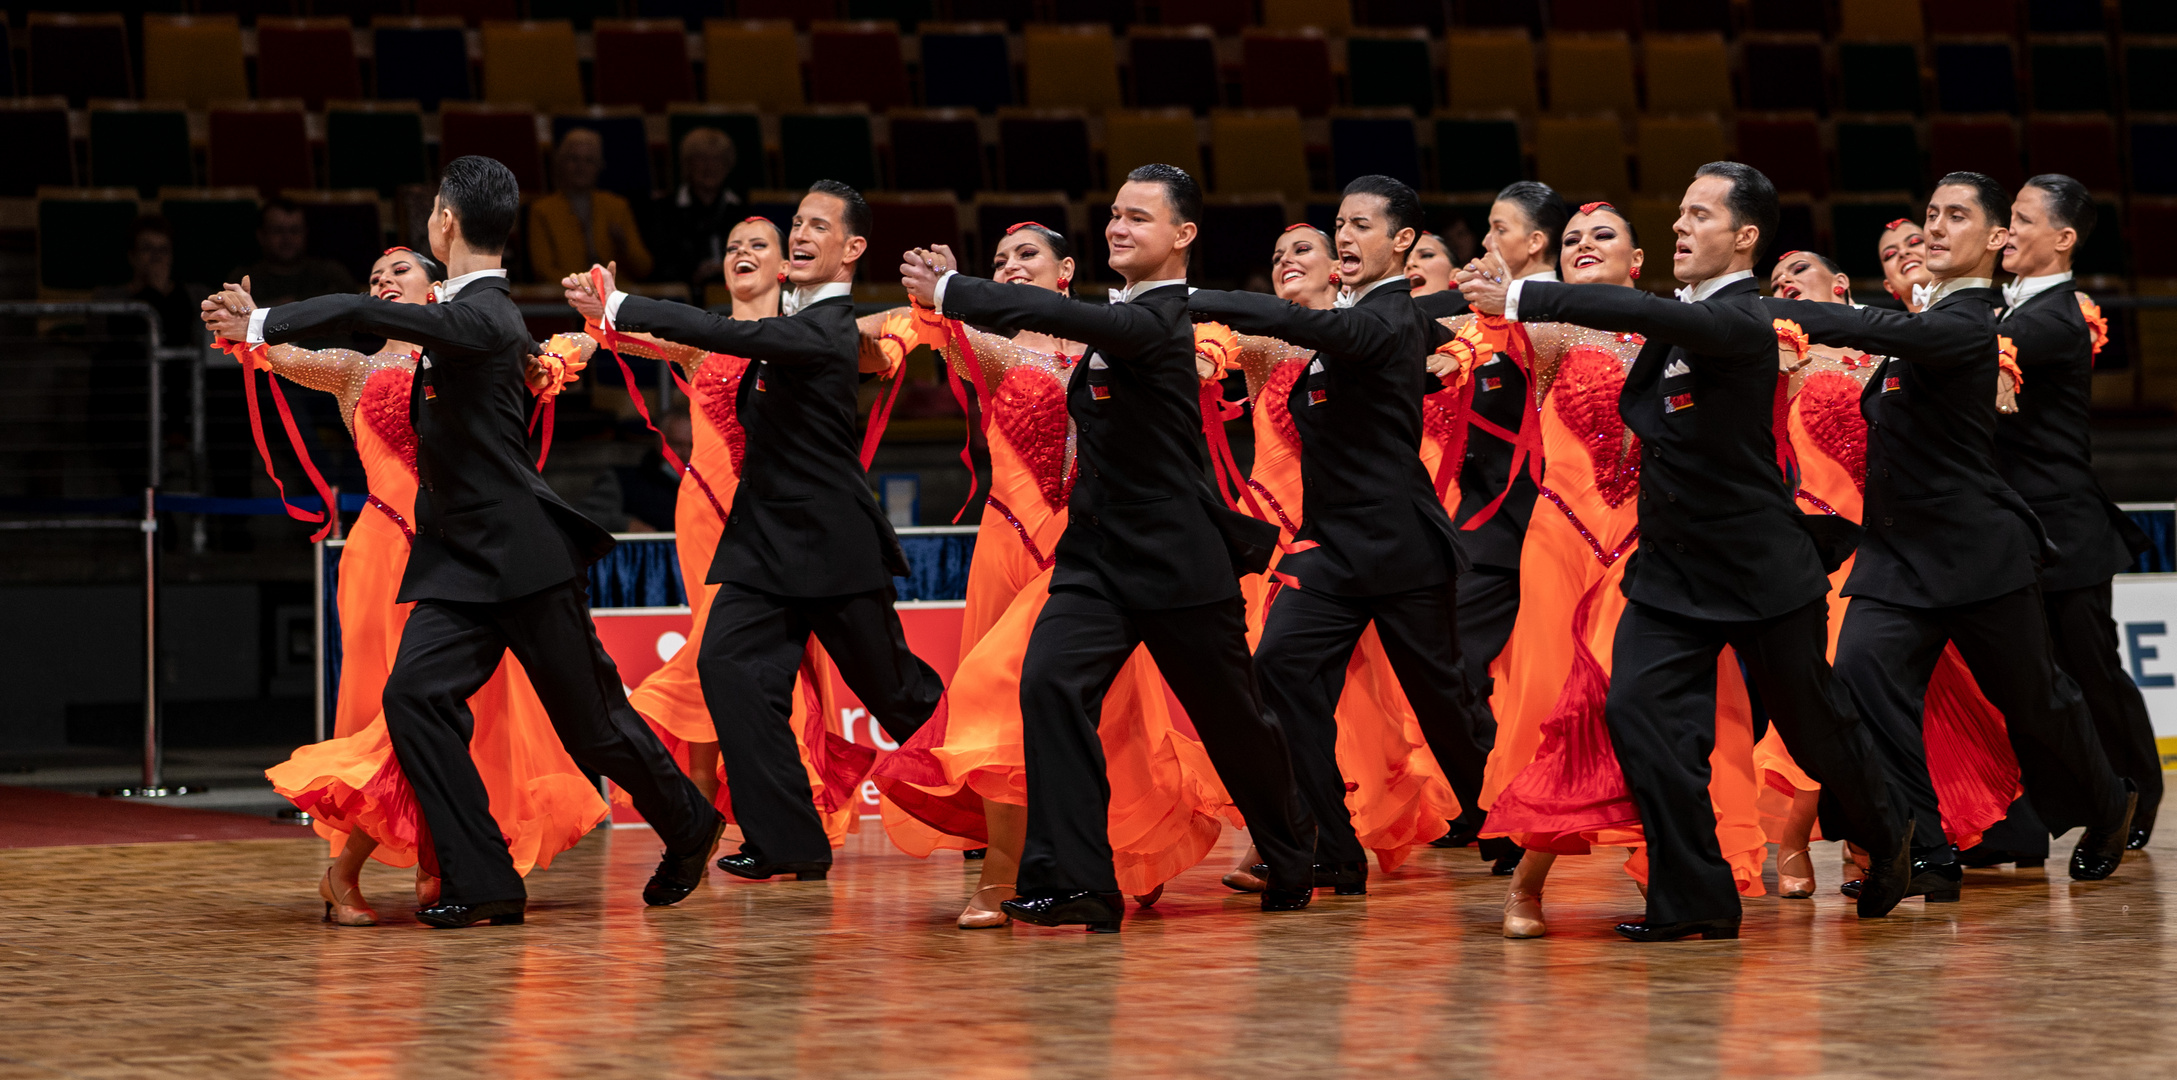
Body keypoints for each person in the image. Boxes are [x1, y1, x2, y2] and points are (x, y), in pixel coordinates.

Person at [204, 155, 721, 929]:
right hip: (457, 564)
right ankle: (482, 879)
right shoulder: (460, 315)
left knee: (595, 724)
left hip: (521, 557)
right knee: (413, 701)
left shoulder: (487, 315)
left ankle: (689, 824)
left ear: (445, 220)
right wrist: (261, 334)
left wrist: (261, 323)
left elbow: (368, 313)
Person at [1460, 161, 1914, 941]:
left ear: (1743, 236)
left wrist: (1519, 291)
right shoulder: (1671, 324)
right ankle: (1693, 896)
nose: (1679, 226)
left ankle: (1890, 827)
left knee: (1815, 727)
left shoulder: (1742, 318)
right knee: (1638, 715)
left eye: (1698, 215)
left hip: (1759, 571)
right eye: (1677, 213)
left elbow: (1630, 309)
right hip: (1669, 574)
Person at [901, 164, 1317, 931]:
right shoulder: (1119, 318)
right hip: (1094, 558)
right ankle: (1077, 880)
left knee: (1235, 721)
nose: (1118, 228)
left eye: (1138, 217)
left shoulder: (1162, 318)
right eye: (1115, 215)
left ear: (1182, 235)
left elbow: (1065, 319)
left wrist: (952, 289)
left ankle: (1294, 854)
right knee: (1048, 688)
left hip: (1176, 562)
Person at [569, 180, 946, 883]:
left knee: (895, 693)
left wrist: (621, 306)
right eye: (796, 222)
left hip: (830, 545)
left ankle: (996, 801)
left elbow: (728, 333)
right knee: (726, 668)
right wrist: (604, 318)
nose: (800, 234)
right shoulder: (793, 327)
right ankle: (789, 839)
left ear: (851, 249)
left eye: (815, 227)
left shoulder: (828, 327)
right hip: (762, 544)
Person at [1770, 171, 2137, 894]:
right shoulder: (1925, 322)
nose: (1935, 227)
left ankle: (2108, 802)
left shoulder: (1974, 321)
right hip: (1895, 558)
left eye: (1955, 216)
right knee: (1863, 683)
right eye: (1931, 213)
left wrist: (1767, 313)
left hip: (1976, 555)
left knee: (2037, 702)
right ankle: (1923, 845)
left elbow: (1879, 328)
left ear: (1996, 237)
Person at [871, 221, 1231, 929]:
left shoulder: (1114, 335)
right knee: (1000, 704)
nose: (1010, 267)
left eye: (1027, 255)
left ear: (1066, 269)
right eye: (999, 259)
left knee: (1100, 713)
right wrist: (940, 291)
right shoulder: (995, 346)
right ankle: (1004, 871)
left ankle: (1119, 854)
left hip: (1092, 550)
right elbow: (935, 323)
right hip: (1007, 548)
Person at [253, 246, 610, 925]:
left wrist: (581, 337)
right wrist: (249, 323)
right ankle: (350, 868)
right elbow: (275, 352)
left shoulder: (469, 360)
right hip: (385, 556)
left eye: (399, 272)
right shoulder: (355, 370)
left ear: (439, 288)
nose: (384, 280)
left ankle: (440, 863)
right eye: (374, 275)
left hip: (465, 557)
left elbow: (564, 352)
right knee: (400, 720)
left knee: (465, 718)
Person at [1448, 202, 1764, 938]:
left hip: (1648, 545)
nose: (1584, 246)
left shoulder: (1673, 333)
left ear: (1637, 258)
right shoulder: (1553, 331)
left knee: (1652, 711)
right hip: (1561, 541)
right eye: (1571, 240)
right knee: (1557, 710)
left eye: (1602, 237)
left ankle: (1676, 880)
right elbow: (1482, 329)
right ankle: (1527, 882)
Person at [1184, 176, 1494, 897]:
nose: (1347, 238)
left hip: (1403, 551)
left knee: (1442, 706)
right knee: (1278, 672)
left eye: (1360, 227)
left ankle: (1501, 823)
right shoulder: (1355, 324)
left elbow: (1335, 329)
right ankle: (1328, 846)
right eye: (1341, 225)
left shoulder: (1388, 318)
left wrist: (1184, 298)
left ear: (1402, 242)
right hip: (1330, 553)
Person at [1758, 249, 2021, 899]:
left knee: (1892, 708)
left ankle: (1875, 846)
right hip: (1826, 551)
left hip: (1895, 552)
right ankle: (1792, 841)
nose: (1783, 283)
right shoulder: (1780, 356)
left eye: (1798, 272)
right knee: (1830, 699)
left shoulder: (1890, 349)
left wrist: (2004, 365)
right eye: (1774, 280)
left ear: (1840, 285)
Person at [604, 214, 859, 855]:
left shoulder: (807, 336)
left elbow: (879, 340)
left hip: (785, 515)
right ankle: (703, 807)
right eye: (731, 246)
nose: (740, 252)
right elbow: (626, 337)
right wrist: (590, 320)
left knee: (781, 658)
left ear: (785, 267)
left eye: (757, 245)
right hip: (706, 512)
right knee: (713, 651)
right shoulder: (701, 341)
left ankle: (779, 809)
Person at [1985, 175, 2162, 856]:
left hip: (2065, 531)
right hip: (2028, 530)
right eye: (2007, 218)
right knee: (2053, 674)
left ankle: (2138, 789)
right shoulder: (2017, 309)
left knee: (2092, 670)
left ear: (2061, 239)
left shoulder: (2049, 319)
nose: (2007, 230)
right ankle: (2081, 798)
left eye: (2022, 220)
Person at [530, 128, 654, 285]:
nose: (581, 167)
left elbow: (644, 268)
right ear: (561, 163)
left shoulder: (617, 206)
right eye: (574, 159)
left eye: (589, 160)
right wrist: (583, 288)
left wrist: (624, 246)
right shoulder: (542, 211)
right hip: (565, 298)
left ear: (599, 166)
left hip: (613, 298)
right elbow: (542, 271)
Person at [647, 127, 746, 295]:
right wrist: (693, 274)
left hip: (733, 295)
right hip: (682, 299)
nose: (710, 166)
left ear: (728, 165)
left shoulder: (742, 211)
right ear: (687, 164)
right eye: (701, 159)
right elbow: (659, 265)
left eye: (718, 159)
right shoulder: (664, 209)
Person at [97, 215, 203, 348]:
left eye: (163, 250)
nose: (157, 257)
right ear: (132, 256)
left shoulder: (195, 296)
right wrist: (153, 292)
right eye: (148, 249)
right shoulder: (109, 298)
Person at [229, 199, 357, 306]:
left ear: (306, 233)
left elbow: (351, 304)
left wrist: (291, 304)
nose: (287, 238)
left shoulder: (330, 273)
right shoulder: (243, 279)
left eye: (294, 230)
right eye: (278, 231)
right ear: (261, 235)